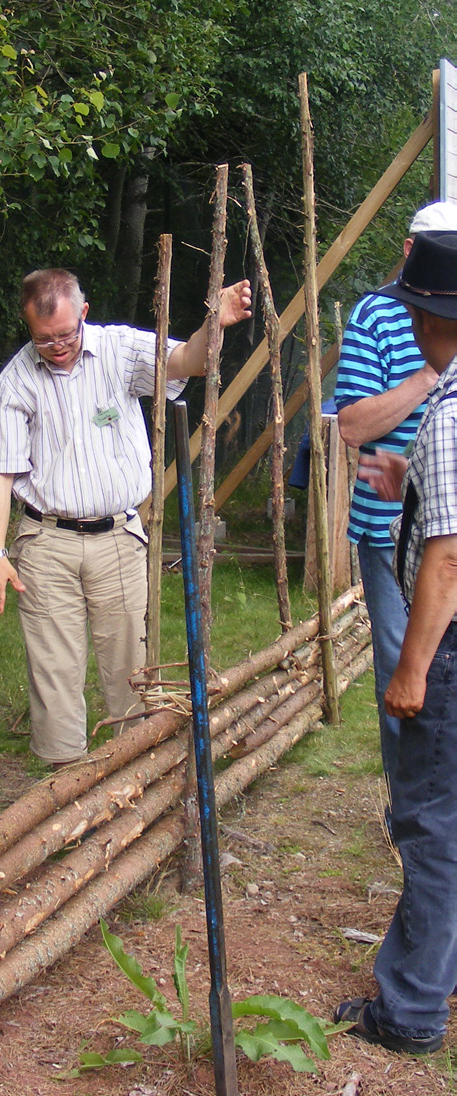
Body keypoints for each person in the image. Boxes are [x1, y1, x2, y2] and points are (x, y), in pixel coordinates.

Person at [0, 267, 252, 766]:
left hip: (120, 537)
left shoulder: (119, 350)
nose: (57, 346)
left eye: (65, 334)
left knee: (131, 661)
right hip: (45, 541)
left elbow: (186, 360)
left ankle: (135, 766)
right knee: (54, 666)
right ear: (27, 328)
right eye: (44, 340)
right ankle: (65, 778)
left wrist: (216, 323)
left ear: (83, 313)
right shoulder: (16, 380)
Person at [335, 229, 457, 1053]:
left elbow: (446, 562)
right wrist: (404, 476)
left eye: (412, 309)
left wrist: (411, 671)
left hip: (447, 648)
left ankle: (410, 1007)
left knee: (428, 820)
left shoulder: (446, 414)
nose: (404, 322)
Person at [334, 200, 457, 785]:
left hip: (445, 528)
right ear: (411, 252)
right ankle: (409, 809)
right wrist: (430, 376)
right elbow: (353, 427)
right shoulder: (378, 316)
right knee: (403, 674)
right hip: (391, 527)